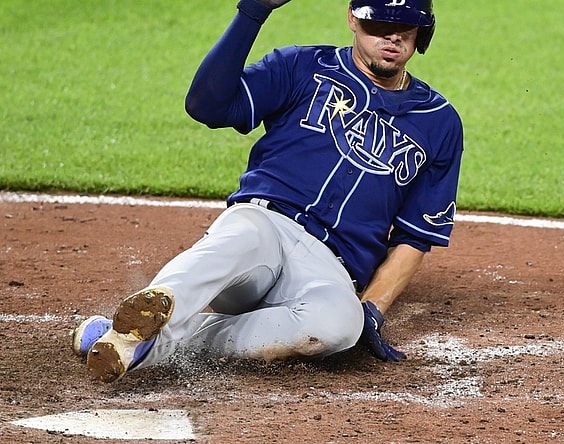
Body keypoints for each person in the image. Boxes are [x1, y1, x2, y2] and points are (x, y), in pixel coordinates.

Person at [71, 0, 463, 383]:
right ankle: (155, 306)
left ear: (422, 33)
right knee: (238, 239)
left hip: (329, 269)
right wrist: (253, 11)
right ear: (352, 20)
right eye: (378, 26)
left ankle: (129, 341)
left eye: (404, 29)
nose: (391, 38)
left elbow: (416, 236)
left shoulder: (440, 122)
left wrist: (372, 310)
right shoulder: (303, 66)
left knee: (341, 326)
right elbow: (207, 106)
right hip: (265, 227)